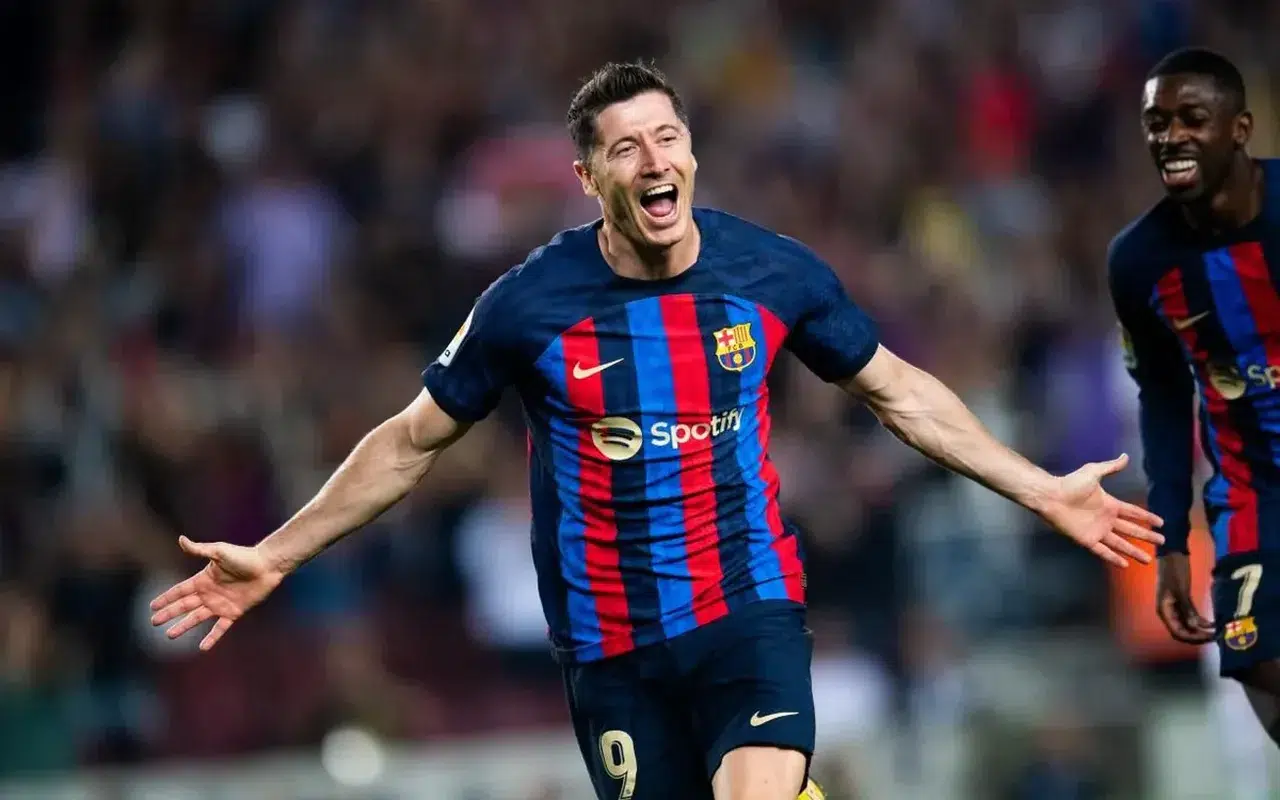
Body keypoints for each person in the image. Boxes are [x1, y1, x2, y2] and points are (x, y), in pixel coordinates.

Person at [152, 61, 1162, 800]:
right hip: (612, 649)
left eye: (667, 136)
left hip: (746, 610)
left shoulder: (769, 272)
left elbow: (899, 393)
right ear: (588, 177)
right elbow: (410, 442)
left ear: (691, 153)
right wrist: (276, 552)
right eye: (625, 146)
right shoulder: (528, 305)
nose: (653, 158)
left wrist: (1038, 486)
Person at [1108, 46, 1280, 745]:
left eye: (1192, 118)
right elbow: (1161, 398)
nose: (1170, 136)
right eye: (1157, 123)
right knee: (1256, 658)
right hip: (1252, 494)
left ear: (1240, 129)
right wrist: (1171, 540)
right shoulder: (1138, 261)